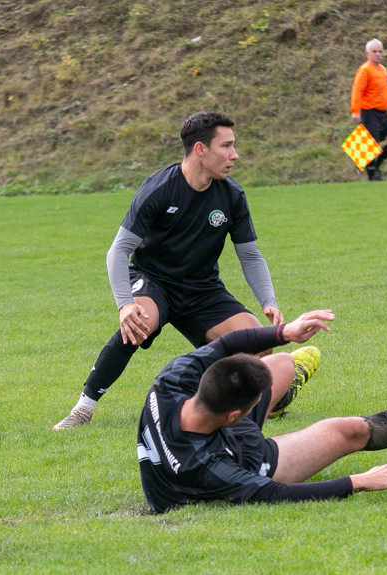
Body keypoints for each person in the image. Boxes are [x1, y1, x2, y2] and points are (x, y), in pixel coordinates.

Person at [137, 310, 387, 513]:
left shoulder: (172, 381)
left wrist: (287, 330)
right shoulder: (212, 469)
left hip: (213, 429)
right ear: (236, 416)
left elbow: (228, 343)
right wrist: (358, 482)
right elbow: (274, 494)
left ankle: (284, 388)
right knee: (348, 431)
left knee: (279, 363)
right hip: (244, 456)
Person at [54, 111, 286, 430]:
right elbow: (118, 250)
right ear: (201, 150)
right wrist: (125, 304)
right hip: (153, 281)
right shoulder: (160, 189)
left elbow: (249, 254)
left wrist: (267, 300)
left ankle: (254, 404)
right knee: (138, 323)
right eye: (227, 146)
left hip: (202, 288)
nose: (235, 155)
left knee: (259, 342)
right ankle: (83, 408)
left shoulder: (232, 195)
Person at [350, 38, 387, 182]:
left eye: (380, 51)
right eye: (374, 52)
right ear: (367, 53)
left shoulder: (383, 70)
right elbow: (357, 91)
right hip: (369, 111)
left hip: (382, 112)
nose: (378, 54)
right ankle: (372, 174)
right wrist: (355, 111)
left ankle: (376, 165)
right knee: (371, 143)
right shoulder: (365, 70)